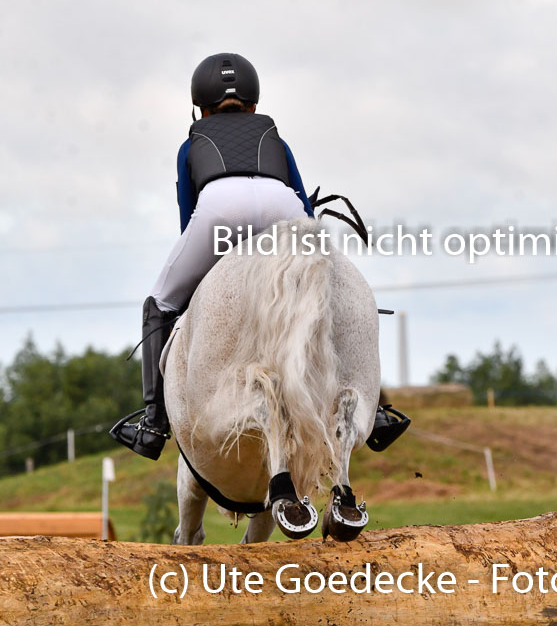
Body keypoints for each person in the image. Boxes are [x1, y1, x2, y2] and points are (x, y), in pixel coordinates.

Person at [110, 52, 409, 460]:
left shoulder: (191, 143)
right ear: (254, 103)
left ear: (200, 106)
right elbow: (303, 202)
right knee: (332, 290)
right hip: (281, 207)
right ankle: (372, 413)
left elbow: (188, 214)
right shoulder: (275, 138)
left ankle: (154, 422)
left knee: (160, 302)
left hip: (218, 210)